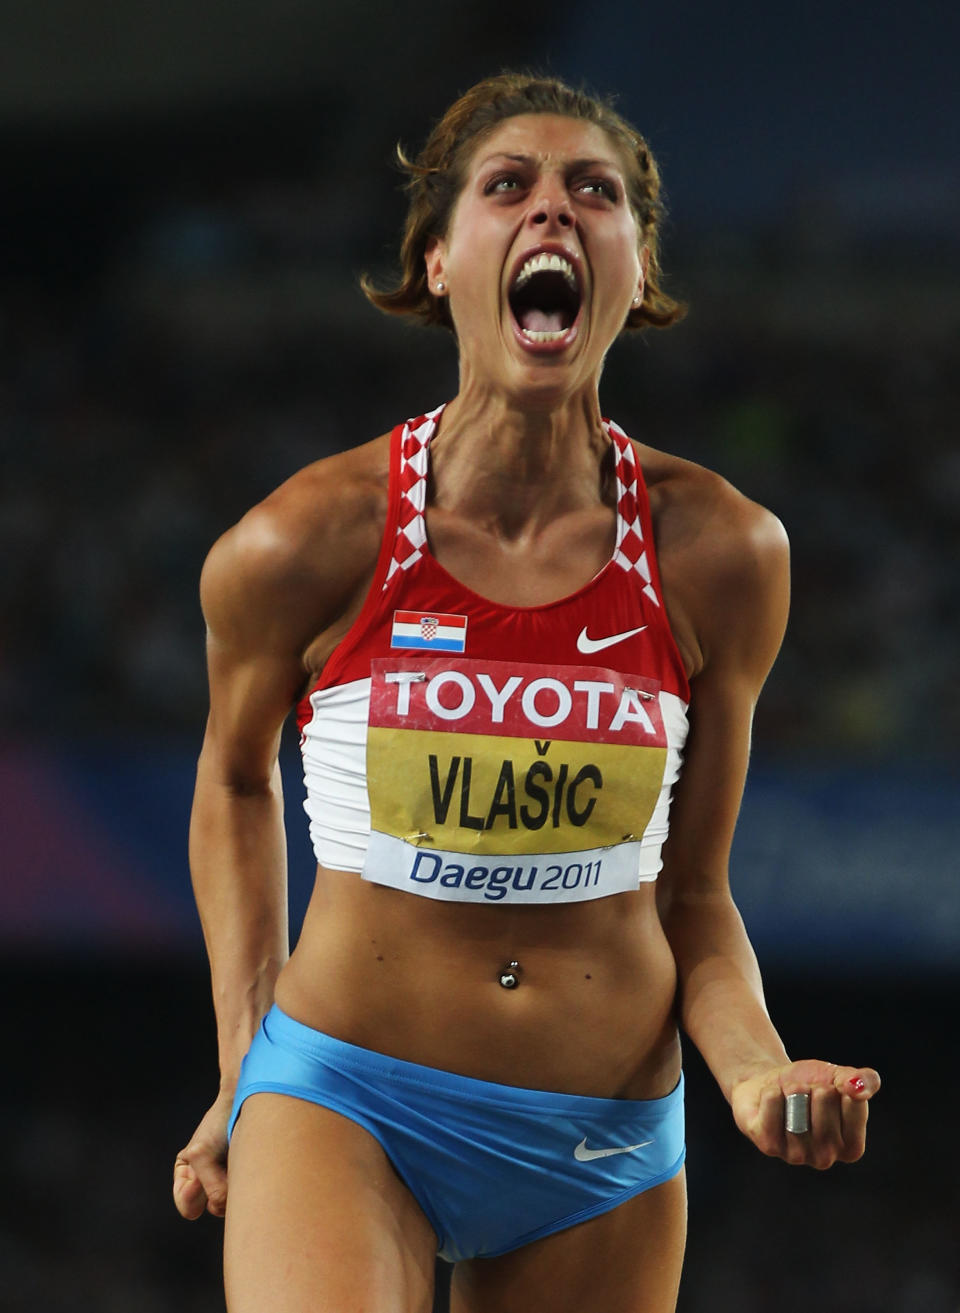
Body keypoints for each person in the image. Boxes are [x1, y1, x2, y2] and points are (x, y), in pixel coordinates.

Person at [172, 72, 880, 1312]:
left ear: (638, 265)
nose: (553, 214)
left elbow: (695, 895)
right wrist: (242, 1064)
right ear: (439, 259)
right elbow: (234, 776)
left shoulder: (722, 554)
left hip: (596, 1144)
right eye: (510, 188)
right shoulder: (305, 539)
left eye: (591, 193)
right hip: (347, 1095)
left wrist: (759, 1072)